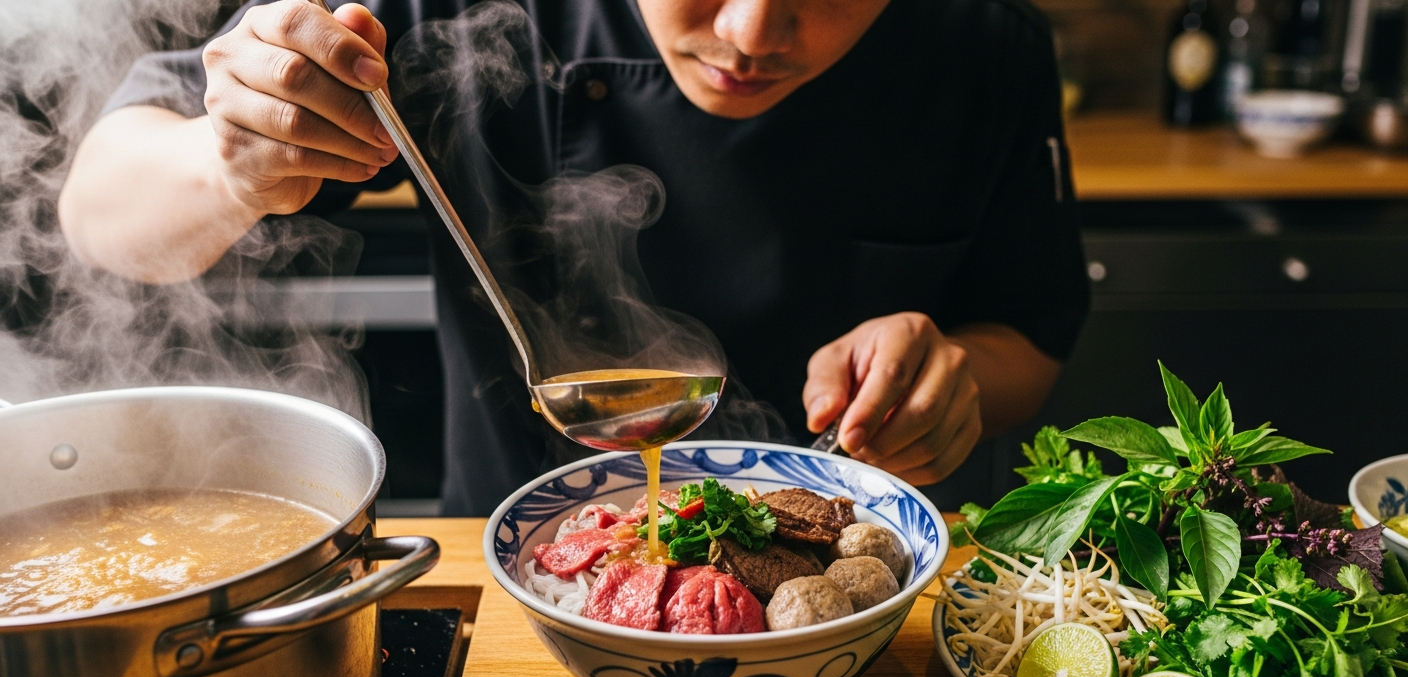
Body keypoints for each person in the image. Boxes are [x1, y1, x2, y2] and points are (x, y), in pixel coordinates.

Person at [59, 0, 1089, 516]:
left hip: (869, 598)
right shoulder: (451, 11)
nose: (751, 31)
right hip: (523, 566)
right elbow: (101, 210)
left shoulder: (982, 38)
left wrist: (953, 378)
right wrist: (225, 162)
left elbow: (1027, 339)